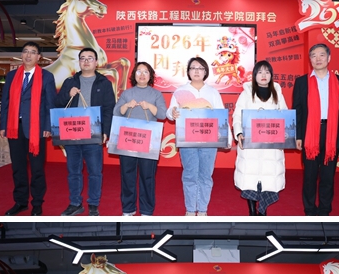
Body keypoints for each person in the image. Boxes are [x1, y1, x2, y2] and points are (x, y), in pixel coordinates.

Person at [55, 47, 115, 216]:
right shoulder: (70, 82)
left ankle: (93, 203)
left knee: (95, 172)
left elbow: (109, 108)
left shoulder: (104, 83)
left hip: (93, 133)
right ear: (79, 62)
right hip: (72, 132)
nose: (86, 61)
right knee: (73, 171)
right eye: (83, 58)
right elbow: (58, 103)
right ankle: (75, 203)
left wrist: (105, 131)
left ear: (96, 62)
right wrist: (68, 94)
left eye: (90, 58)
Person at [292, 44, 339, 216]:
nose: (318, 59)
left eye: (322, 55)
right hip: (310, 134)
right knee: (309, 176)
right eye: (314, 55)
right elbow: (297, 112)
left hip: (332, 134)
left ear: (329, 58)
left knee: (328, 176)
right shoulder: (302, 82)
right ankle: (309, 209)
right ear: (310, 59)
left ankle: (325, 209)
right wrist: (298, 135)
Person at [0, 42, 57, 216]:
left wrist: (48, 126)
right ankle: (20, 202)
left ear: (39, 57)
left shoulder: (46, 76)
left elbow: (50, 104)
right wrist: (3, 125)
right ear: (21, 55)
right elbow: (5, 102)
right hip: (14, 127)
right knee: (18, 167)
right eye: (25, 51)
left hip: (36, 129)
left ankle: (37, 203)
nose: (28, 55)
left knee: (37, 168)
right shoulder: (11, 76)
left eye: (33, 52)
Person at [166, 57, 226, 216]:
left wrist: (226, 138)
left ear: (205, 72)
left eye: (200, 68)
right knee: (190, 175)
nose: (197, 71)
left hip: (209, 140)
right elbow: (170, 112)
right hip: (187, 140)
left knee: (206, 175)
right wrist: (172, 113)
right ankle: (191, 209)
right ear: (188, 71)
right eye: (193, 68)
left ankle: (203, 209)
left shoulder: (213, 92)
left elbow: (221, 115)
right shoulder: (180, 91)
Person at [233, 60, 288, 216]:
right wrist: (239, 133)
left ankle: (263, 211)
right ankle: (252, 211)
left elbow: (285, 116)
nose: (264, 75)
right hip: (250, 145)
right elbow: (237, 116)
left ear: (271, 75)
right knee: (250, 178)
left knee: (268, 178)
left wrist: (285, 134)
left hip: (271, 147)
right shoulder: (246, 94)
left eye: (267, 72)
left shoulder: (277, 93)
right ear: (254, 75)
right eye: (260, 72)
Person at [112, 62, 167, 216]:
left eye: (145, 72)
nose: (142, 75)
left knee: (147, 176)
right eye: (138, 71)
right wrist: (127, 106)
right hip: (128, 140)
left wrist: (150, 106)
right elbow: (116, 112)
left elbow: (162, 114)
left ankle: (146, 209)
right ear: (134, 75)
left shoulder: (156, 94)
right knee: (127, 175)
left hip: (148, 141)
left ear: (150, 75)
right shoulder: (127, 93)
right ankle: (128, 208)